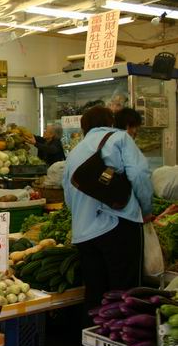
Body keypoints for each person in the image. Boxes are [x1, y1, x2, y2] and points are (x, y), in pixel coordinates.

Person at [62, 106, 153, 318]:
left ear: (84, 128)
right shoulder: (120, 138)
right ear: (110, 122)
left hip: (84, 234)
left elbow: (68, 194)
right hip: (118, 225)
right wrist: (146, 209)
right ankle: (121, 336)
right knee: (125, 293)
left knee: (95, 293)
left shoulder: (75, 151)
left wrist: (82, 216)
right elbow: (139, 175)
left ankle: (92, 336)